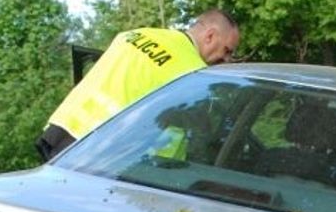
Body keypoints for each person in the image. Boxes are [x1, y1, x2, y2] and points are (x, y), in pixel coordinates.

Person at [36, 9, 240, 161]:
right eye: (227, 50)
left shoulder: (138, 34)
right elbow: (175, 138)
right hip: (99, 151)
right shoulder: (193, 72)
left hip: (62, 129)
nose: (227, 59)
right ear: (210, 36)